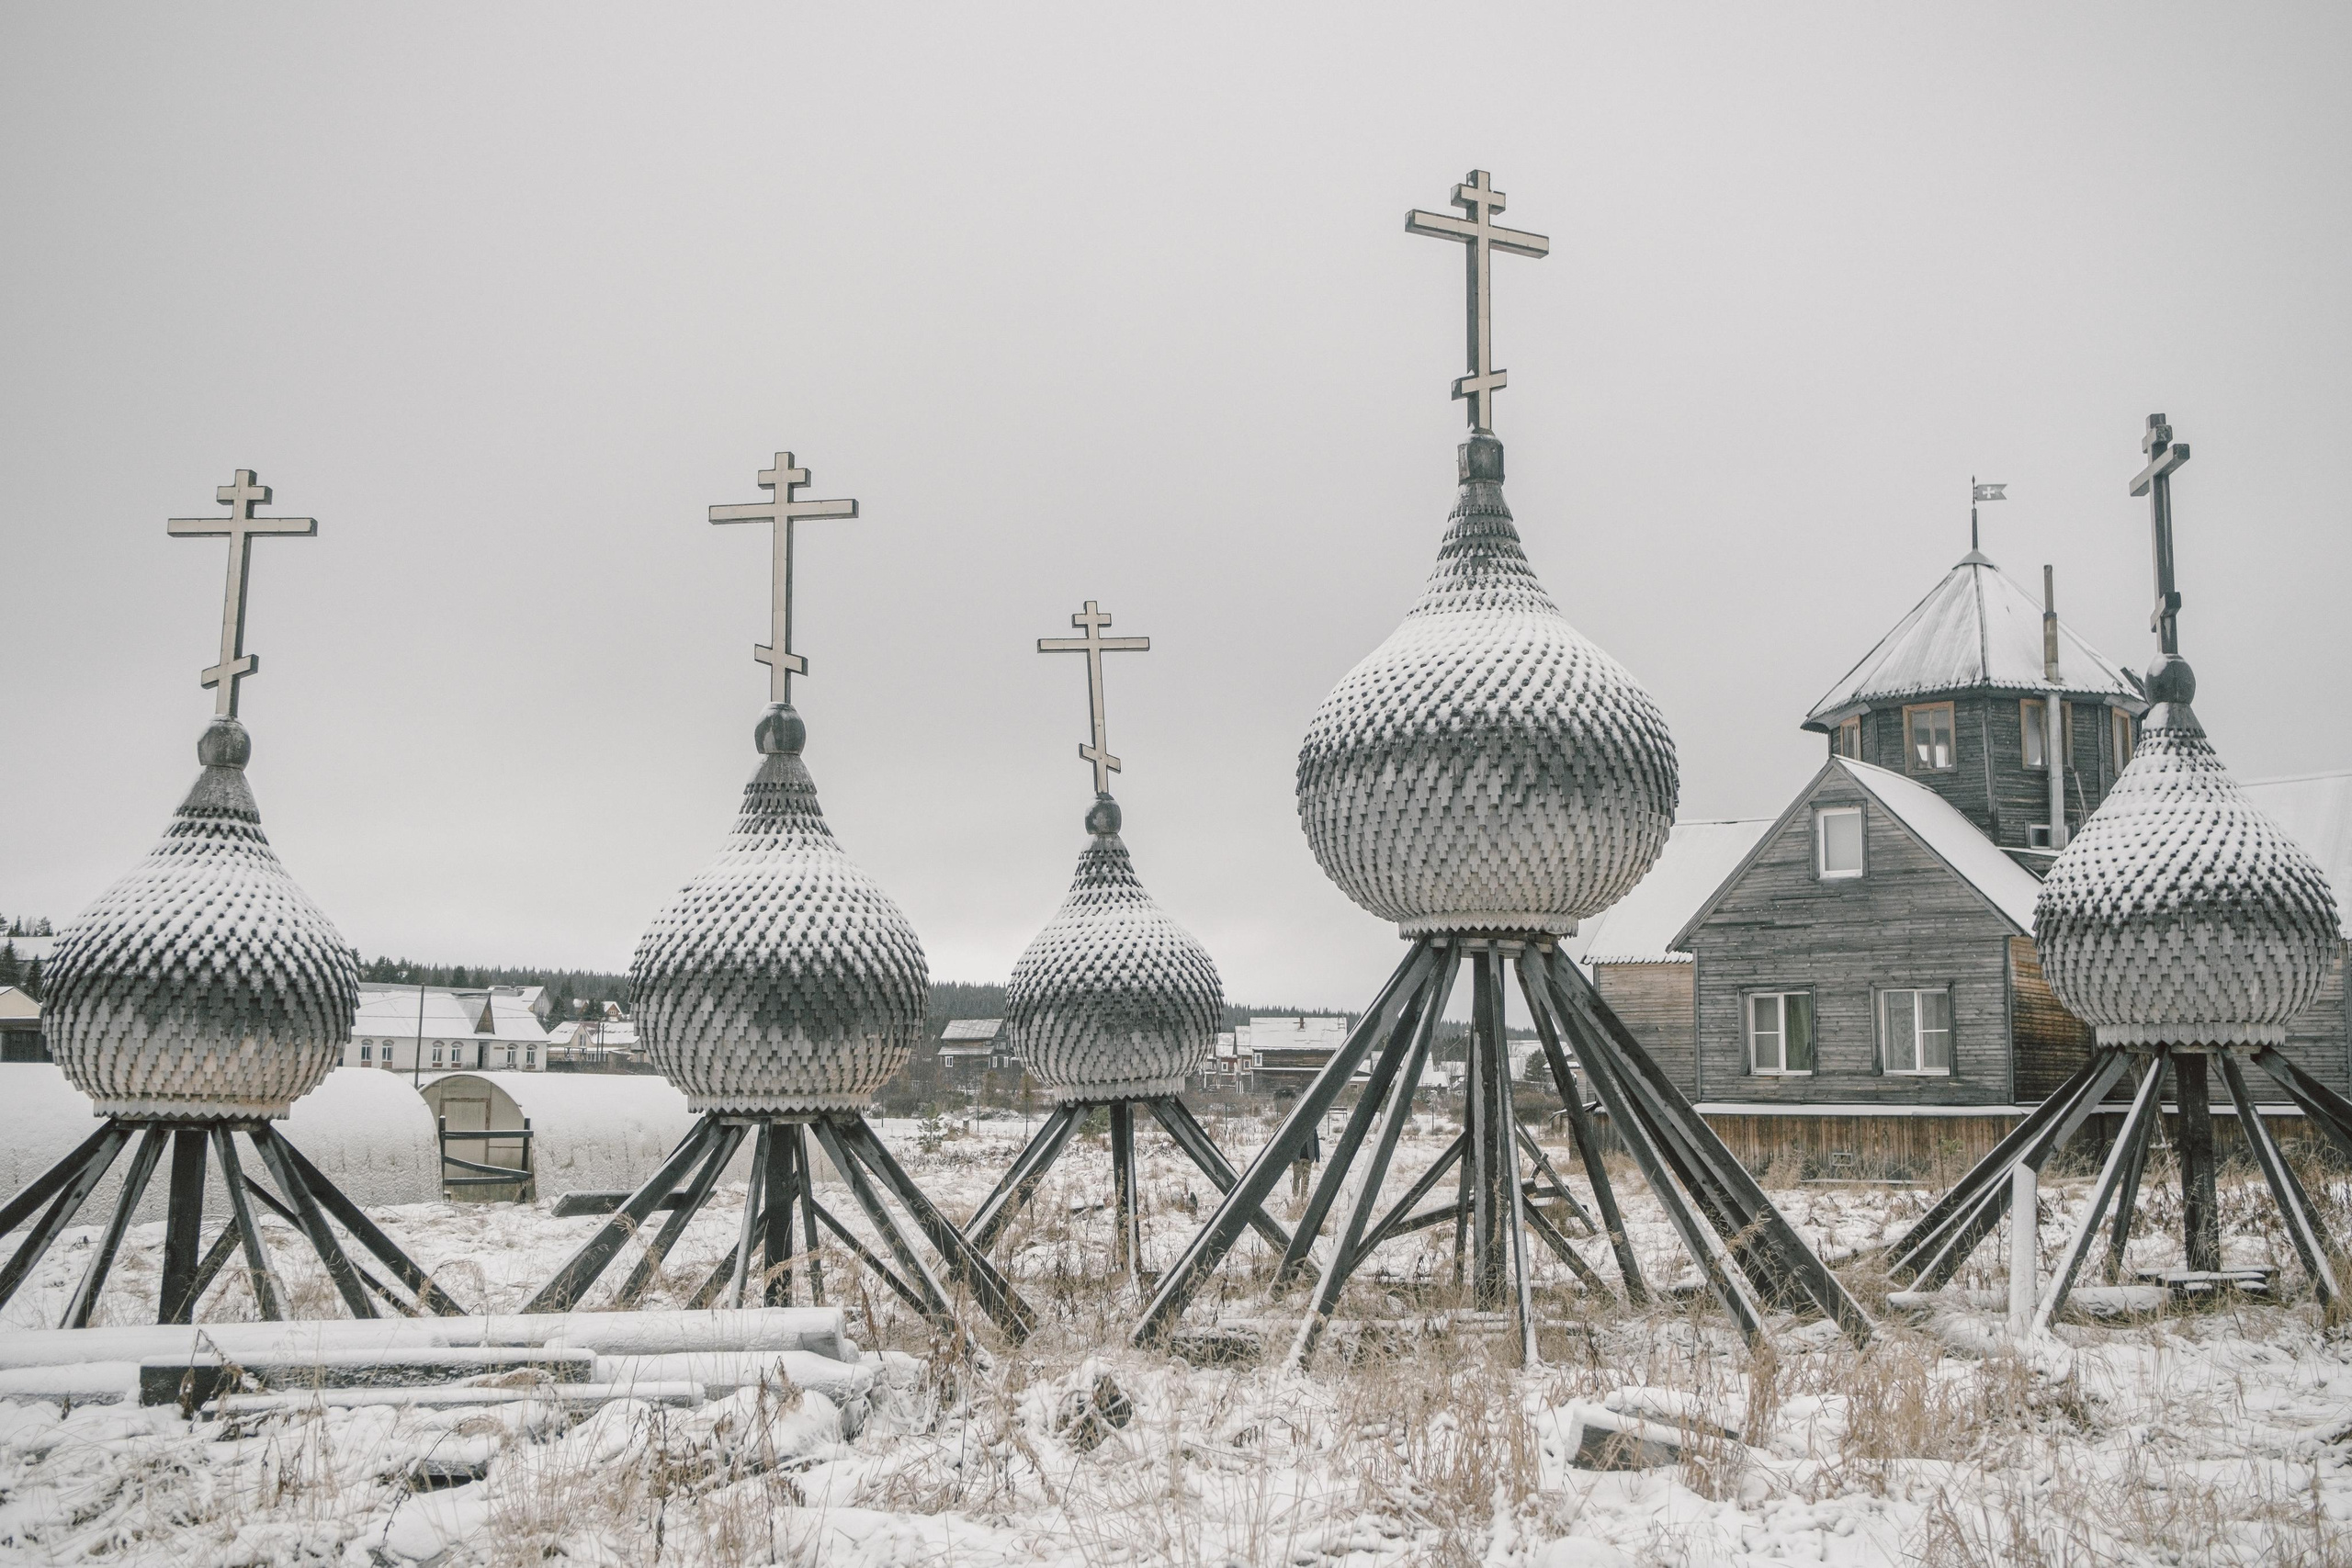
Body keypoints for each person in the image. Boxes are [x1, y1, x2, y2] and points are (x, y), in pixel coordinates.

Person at [1290, 1121, 1322, 1201]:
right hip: (1297, 1158)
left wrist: (1317, 1159)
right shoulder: (1295, 1128)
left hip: (1309, 1158)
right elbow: (1291, 1143)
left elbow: (1316, 1143)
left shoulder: (1312, 1128)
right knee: (1296, 1177)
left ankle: (1304, 1196)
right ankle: (1295, 1197)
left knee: (1306, 1178)